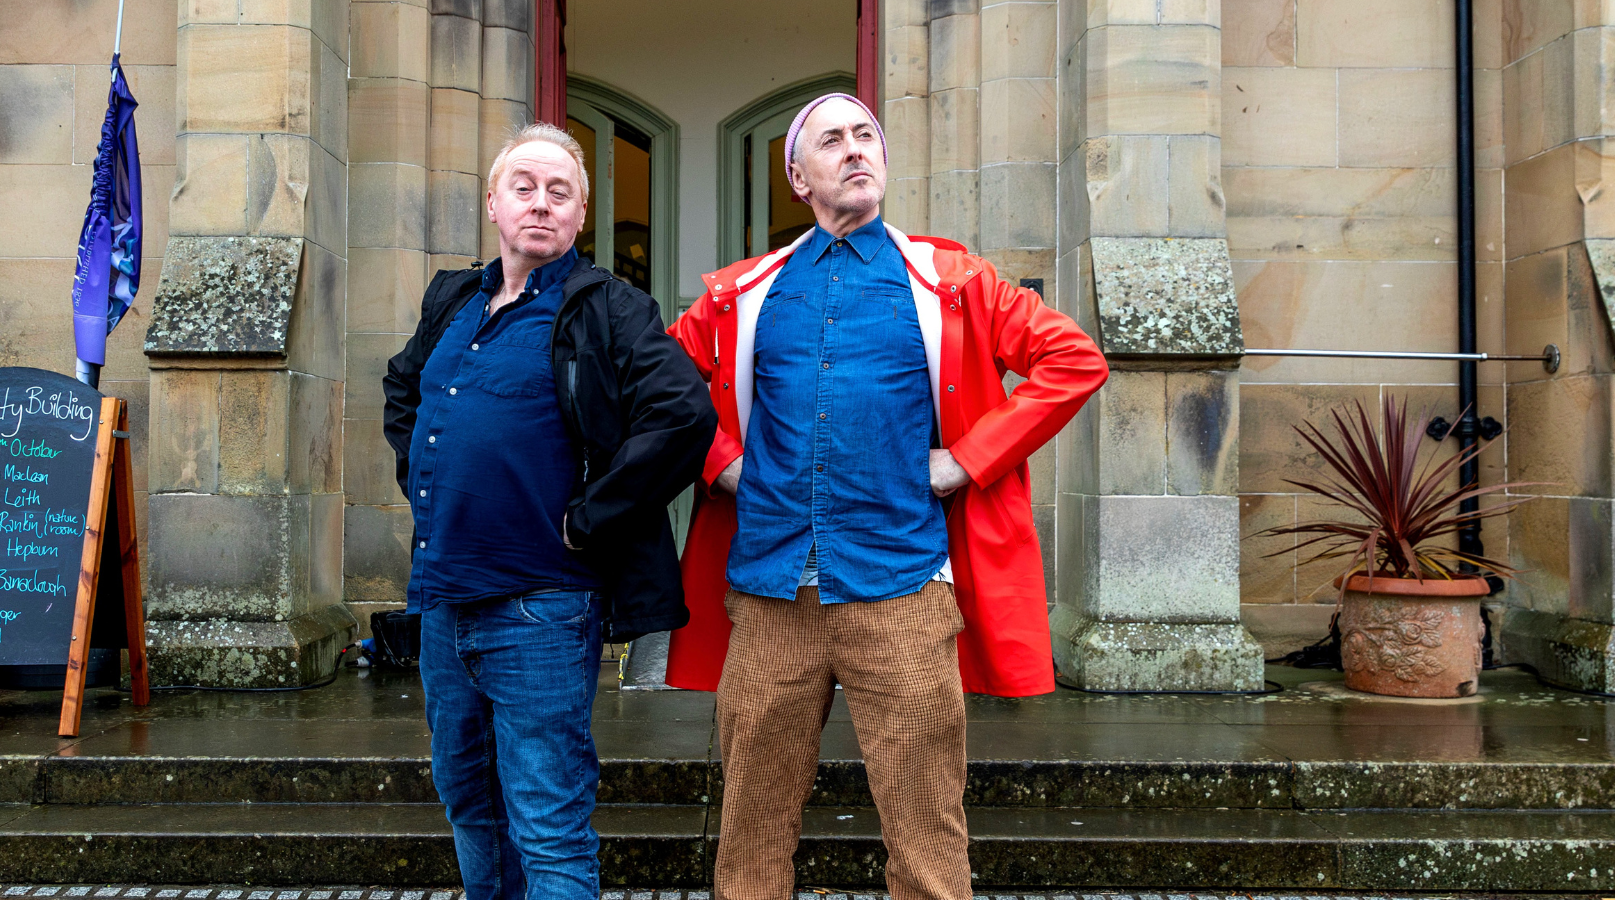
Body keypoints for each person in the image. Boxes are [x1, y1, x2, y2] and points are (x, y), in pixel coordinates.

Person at [662, 94, 1110, 900]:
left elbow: (1073, 360)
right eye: (831, 140)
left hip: (903, 589)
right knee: (751, 837)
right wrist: (718, 458)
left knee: (927, 839)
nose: (854, 149)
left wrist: (968, 460)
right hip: (770, 596)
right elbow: (653, 383)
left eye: (866, 135)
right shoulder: (745, 294)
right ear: (799, 176)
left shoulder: (952, 282)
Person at [382, 123, 716, 900]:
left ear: (579, 214)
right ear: (494, 204)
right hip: (442, 601)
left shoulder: (608, 307)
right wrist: (424, 479)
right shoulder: (454, 298)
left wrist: (590, 518)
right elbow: (403, 390)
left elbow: (682, 417)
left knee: (546, 819)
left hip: (541, 607)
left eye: (558, 192)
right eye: (524, 187)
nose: (540, 203)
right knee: (468, 798)